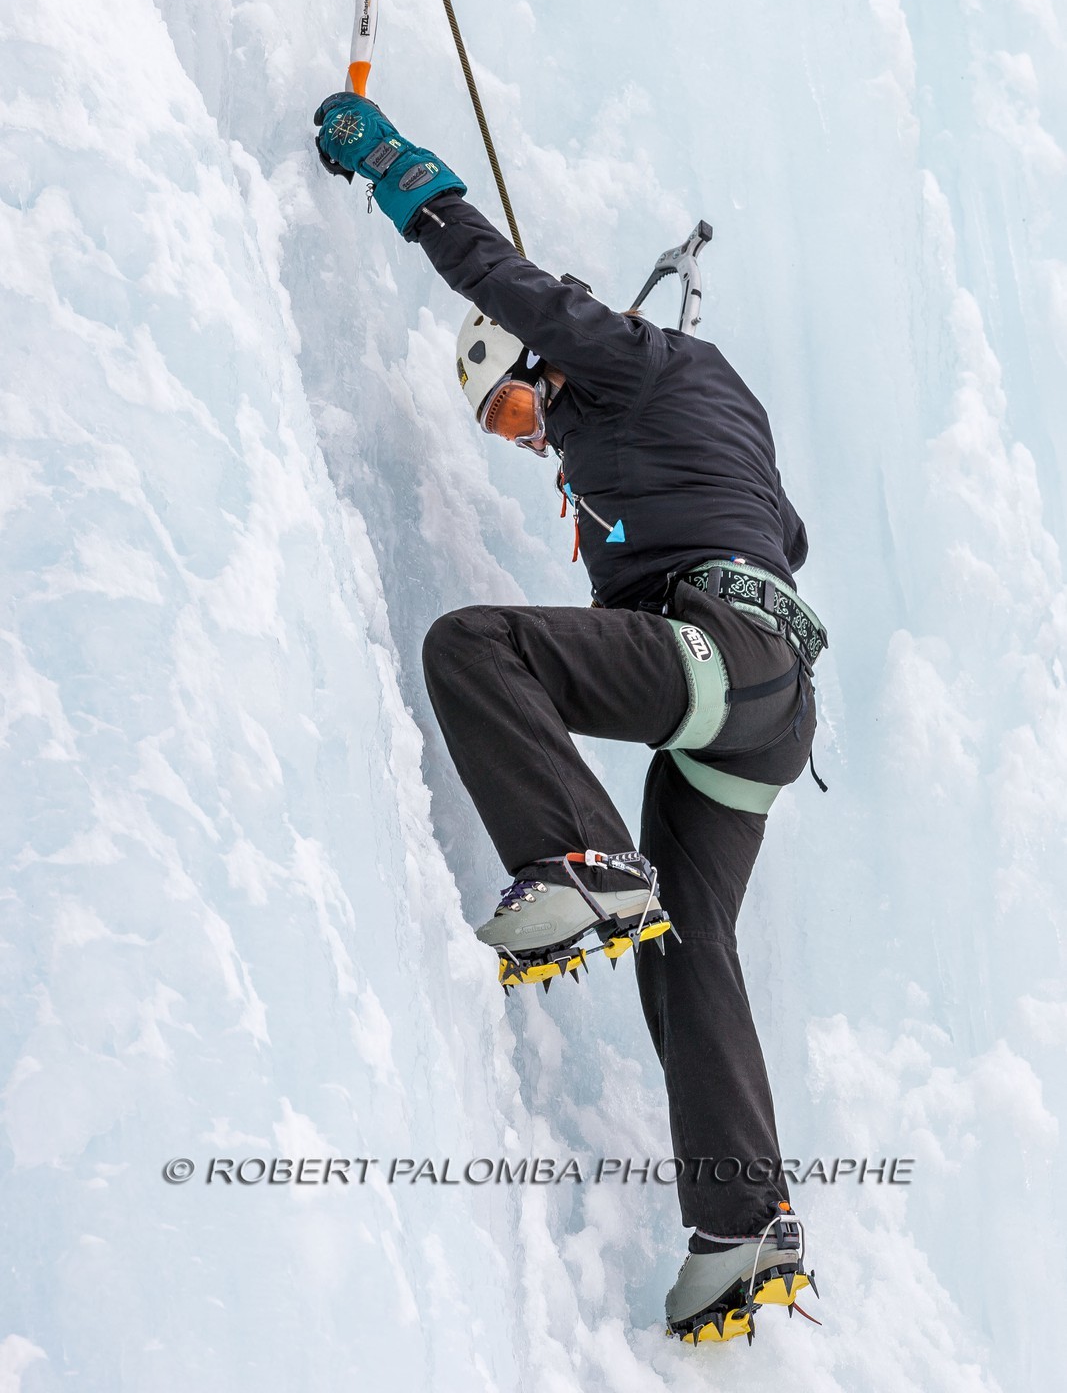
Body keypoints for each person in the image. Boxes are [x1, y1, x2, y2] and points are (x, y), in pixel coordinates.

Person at [314, 92, 827, 1344]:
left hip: (724, 649)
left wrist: (402, 181)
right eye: (505, 430)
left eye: (510, 404)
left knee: (477, 645)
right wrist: (631, 510)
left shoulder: (621, 358)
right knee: (685, 942)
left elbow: (506, 276)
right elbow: (784, 531)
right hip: (767, 703)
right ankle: (740, 1223)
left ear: (532, 362)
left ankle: (580, 858)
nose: (524, 434)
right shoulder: (676, 409)